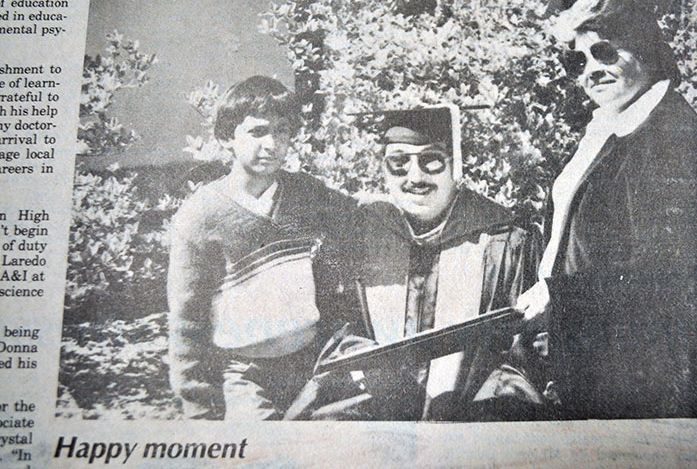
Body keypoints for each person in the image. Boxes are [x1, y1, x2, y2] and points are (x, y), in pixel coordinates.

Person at [516, 0, 697, 419]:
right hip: (618, 361)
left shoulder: (670, 137)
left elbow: (670, 274)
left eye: (604, 52)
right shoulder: (616, 129)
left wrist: (557, 296)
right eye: (577, 62)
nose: (591, 71)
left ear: (647, 50)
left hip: (666, 375)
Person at [287, 105, 543, 421]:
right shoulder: (360, 236)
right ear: (383, 169)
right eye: (399, 163)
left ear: (455, 166)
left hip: (472, 415)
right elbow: (335, 329)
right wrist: (371, 368)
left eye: (431, 160)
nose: (415, 176)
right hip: (376, 409)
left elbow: (524, 347)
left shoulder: (503, 238)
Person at [167, 76, 359, 420]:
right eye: (257, 132)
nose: (271, 143)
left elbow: (361, 217)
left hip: (313, 362)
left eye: (281, 131)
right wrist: (199, 410)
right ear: (227, 137)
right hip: (246, 374)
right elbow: (187, 322)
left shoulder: (306, 193)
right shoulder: (200, 216)